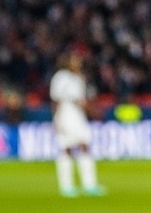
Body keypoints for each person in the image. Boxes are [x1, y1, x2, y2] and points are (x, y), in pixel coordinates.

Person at [50, 52, 105, 198]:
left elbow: (82, 100)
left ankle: (89, 185)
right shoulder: (60, 77)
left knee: (84, 145)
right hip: (65, 113)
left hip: (78, 115)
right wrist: (56, 119)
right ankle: (67, 186)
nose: (78, 63)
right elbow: (55, 100)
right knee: (66, 148)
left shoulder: (78, 78)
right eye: (75, 60)